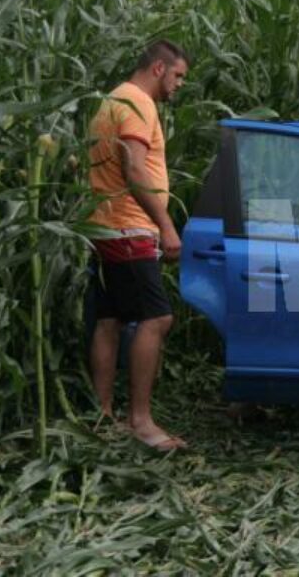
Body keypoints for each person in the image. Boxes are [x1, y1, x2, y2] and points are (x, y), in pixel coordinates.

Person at [87, 40, 190, 451]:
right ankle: (141, 422)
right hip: (128, 229)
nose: (179, 84)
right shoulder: (137, 103)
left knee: (109, 319)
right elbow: (133, 168)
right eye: (178, 75)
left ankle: (102, 415)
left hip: (103, 226)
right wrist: (165, 225)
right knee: (157, 318)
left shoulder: (112, 99)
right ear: (159, 69)